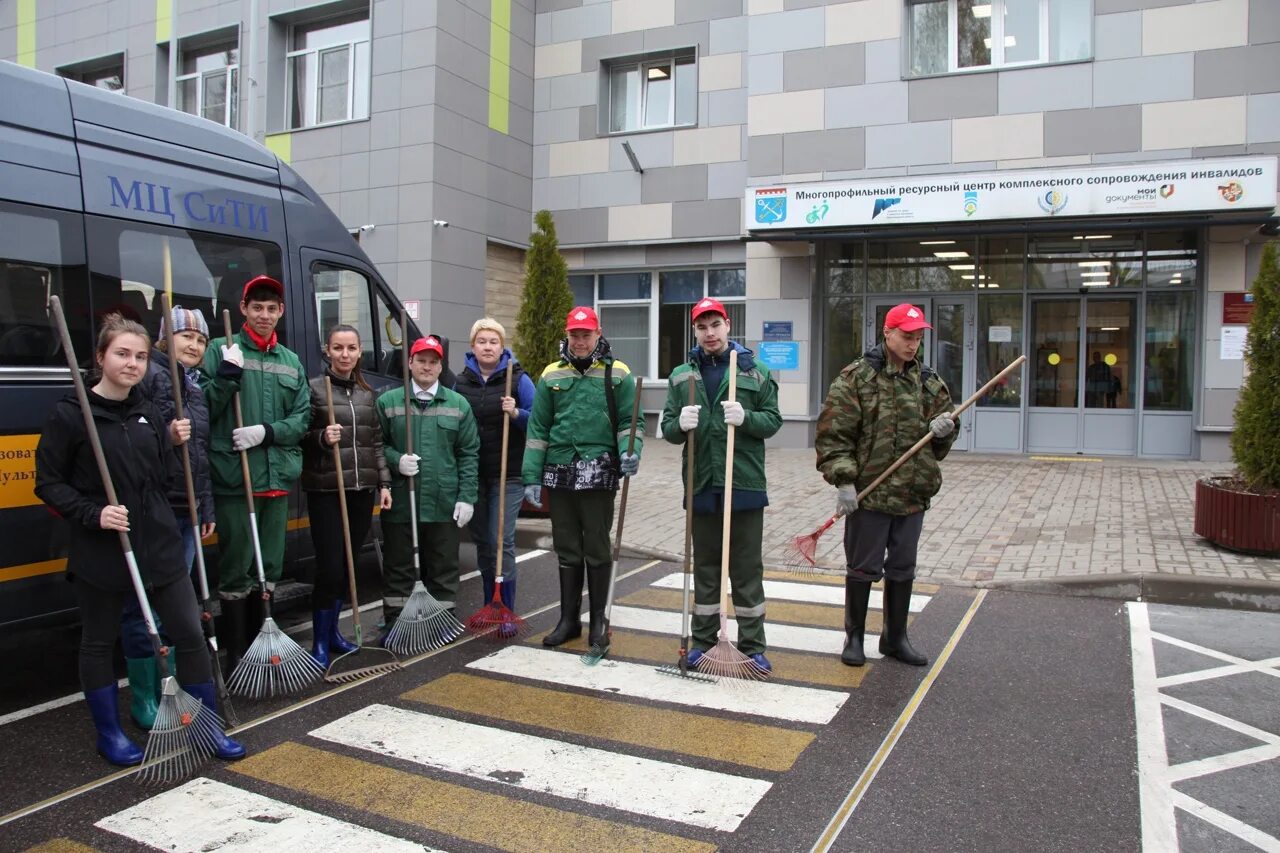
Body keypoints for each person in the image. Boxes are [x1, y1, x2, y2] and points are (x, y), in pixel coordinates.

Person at [35, 313, 243, 767]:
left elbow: (161, 476)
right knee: (98, 640)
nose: (131, 364)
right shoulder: (72, 415)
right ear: (100, 358)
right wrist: (95, 512)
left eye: (140, 356)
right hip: (103, 549)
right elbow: (48, 484)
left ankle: (208, 728)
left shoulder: (148, 411)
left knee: (190, 633)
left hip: (160, 544)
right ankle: (109, 734)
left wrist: (170, 446)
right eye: (122, 354)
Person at [815, 302, 958, 668]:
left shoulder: (928, 383)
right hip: (870, 495)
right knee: (863, 567)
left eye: (918, 338)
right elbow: (835, 436)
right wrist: (844, 482)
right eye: (906, 336)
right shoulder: (856, 379)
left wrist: (944, 431)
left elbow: (938, 448)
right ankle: (855, 636)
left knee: (903, 568)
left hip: (912, 492)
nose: (913, 345)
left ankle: (895, 638)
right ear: (887, 333)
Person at [659, 298, 781, 673]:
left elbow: (773, 420)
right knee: (707, 569)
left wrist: (746, 418)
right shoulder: (682, 375)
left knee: (746, 569)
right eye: (702, 327)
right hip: (701, 485)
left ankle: (753, 645)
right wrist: (679, 423)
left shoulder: (753, 370)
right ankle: (703, 641)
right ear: (695, 330)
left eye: (715, 325)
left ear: (728, 325)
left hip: (742, 482)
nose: (709, 333)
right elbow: (666, 429)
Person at [202, 275, 311, 669]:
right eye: (257, 307)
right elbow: (202, 411)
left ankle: (260, 648)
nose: (264, 315)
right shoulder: (221, 350)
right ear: (245, 309)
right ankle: (236, 655)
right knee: (237, 567)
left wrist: (265, 433)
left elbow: (302, 419)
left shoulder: (290, 361)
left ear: (280, 312)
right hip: (236, 478)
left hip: (276, 479)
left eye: (271, 308)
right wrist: (224, 380)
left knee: (270, 567)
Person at [117, 305, 216, 730]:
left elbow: (199, 455)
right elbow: (136, 433)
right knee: (146, 606)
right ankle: (145, 696)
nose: (193, 344)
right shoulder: (153, 376)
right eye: (185, 336)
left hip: (186, 505)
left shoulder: (193, 385)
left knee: (177, 608)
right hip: (156, 509)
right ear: (164, 339)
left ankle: (169, 685)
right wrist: (164, 430)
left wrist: (204, 505)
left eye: (200, 339)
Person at [523, 306, 643, 649]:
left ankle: (599, 621)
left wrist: (629, 451)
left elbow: (630, 422)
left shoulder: (618, 373)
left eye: (586, 335)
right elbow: (538, 429)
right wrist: (531, 475)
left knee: (596, 544)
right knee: (567, 546)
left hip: (599, 469)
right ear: (567, 335)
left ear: (598, 333)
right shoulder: (551, 375)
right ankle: (568, 620)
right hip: (559, 471)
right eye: (574, 335)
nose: (580, 342)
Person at [301, 324, 393, 666]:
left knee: (349, 564)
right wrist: (321, 437)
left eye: (351, 348)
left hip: (360, 489)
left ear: (359, 352)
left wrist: (384, 484)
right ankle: (320, 641)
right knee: (329, 568)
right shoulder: (313, 389)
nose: (344, 354)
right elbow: (300, 436)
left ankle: (336, 634)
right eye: (338, 348)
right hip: (326, 489)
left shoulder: (368, 394)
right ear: (327, 350)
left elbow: (376, 443)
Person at [376, 335, 479, 629]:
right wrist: (397, 460)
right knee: (398, 566)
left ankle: (441, 620)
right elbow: (376, 445)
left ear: (440, 366)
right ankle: (395, 621)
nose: (426, 367)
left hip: (442, 501)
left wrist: (466, 496)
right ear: (410, 363)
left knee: (443, 566)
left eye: (433, 362)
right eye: (421, 360)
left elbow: (469, 453)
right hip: (400, 501)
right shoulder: (388, 402)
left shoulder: (458, 405)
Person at [453, 318, 536, 624]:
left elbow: (539, 422)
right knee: (484, 543)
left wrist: (516, 412)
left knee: (502, 540)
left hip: (508, 473)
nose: (488, 347)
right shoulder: (460, 383)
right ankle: (491, 602)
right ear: (472, 347)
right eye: (482, 341)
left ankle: (507, 609)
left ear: (502, 346)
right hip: (473, 475)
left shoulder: (518, 379)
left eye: (494, 342)